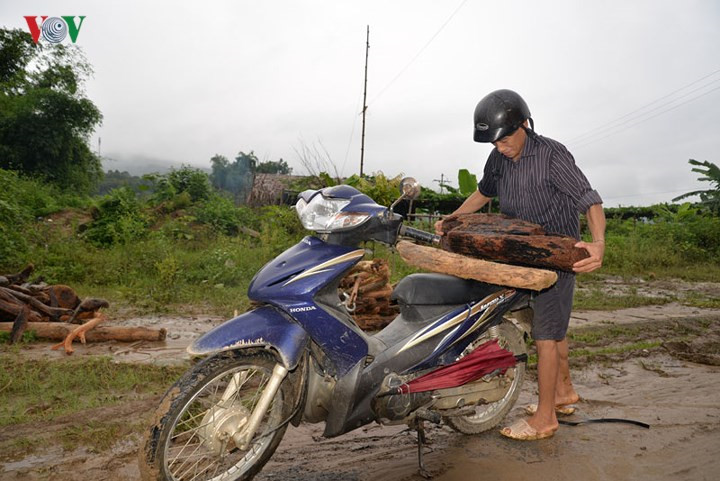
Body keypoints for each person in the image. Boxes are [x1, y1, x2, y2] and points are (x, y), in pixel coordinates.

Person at [434, 89, 606, 441]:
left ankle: (545, 419)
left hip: (555, 258)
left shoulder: (552, 155)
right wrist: (454, 217)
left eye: (505, 139)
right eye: (493, 142)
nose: (500, 147)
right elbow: (484, 192)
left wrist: (598, 243)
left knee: (545, 334)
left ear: (524, 125)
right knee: (550, 325)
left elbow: (589, 200)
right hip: (517, 253)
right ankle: (563, 394)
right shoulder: (498, 158)